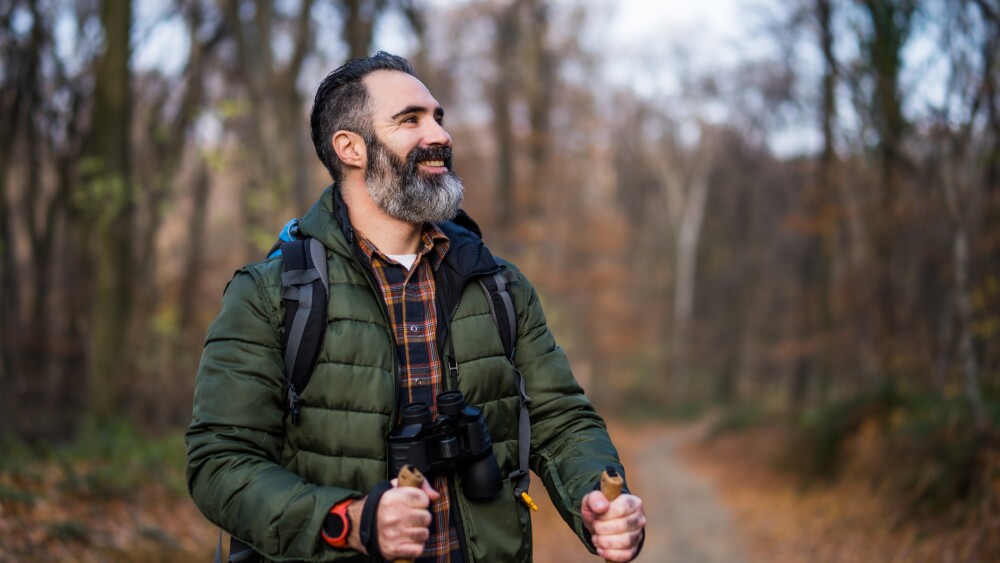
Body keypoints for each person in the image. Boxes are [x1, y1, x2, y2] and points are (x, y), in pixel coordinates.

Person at [185, 51, 646, 563]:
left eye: (438, 118)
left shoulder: (498, 284)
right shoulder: (271, 295)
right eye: (411, 120)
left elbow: (560, 420)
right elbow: (218, 464)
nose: (441, 135)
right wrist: (348, 521)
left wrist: (599, 500)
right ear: (350, 148)